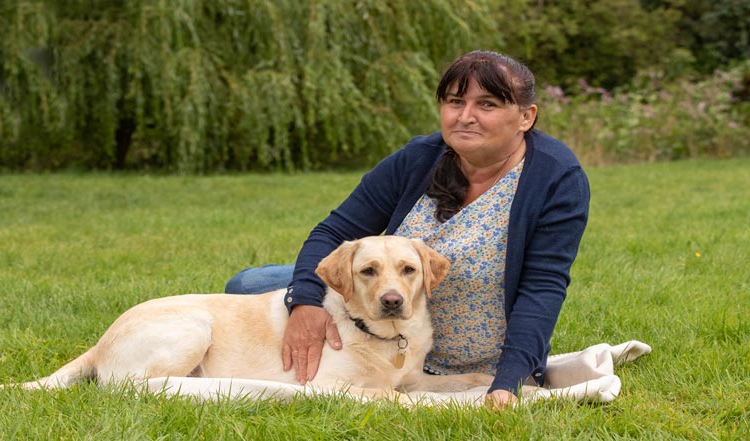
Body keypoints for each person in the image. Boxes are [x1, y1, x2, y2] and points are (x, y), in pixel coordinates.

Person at [225, 50, 590, 408]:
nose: (466, 117)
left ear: (526, 117)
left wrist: (508, 382)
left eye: (487, 104)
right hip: (382, 300)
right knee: (249, 285)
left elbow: (543, 287)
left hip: (466, 345)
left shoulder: (556, 178)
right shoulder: (419, 157)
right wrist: (305, 303)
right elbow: (333, 232)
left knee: (259, 288)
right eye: (455, 102)